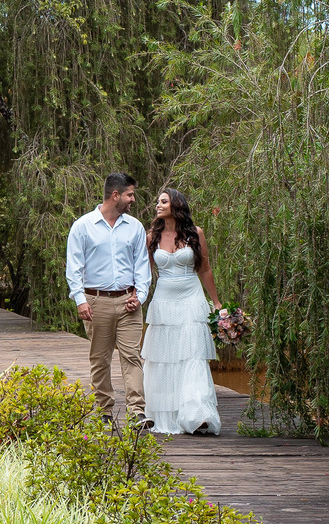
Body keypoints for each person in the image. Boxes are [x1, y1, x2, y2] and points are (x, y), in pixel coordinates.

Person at [65, 172, 153, 426]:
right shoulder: (83, 226)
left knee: (132, 356)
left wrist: (140, 297)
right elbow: (74, 267)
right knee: (100, 358)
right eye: (130, 195)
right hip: (96, 302)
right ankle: (104, 410)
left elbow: (142, 266)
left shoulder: (134, 227)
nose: (133, 199)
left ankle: (137, 412)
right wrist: (80, 300)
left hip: (128, 302)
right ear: (115, 195)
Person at [141, 188, 221, 435]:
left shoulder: (196, 233)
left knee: (193, 355)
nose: (158, 205)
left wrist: (216, 303)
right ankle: (167, 414)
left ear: (176, 205)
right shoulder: (151, 236)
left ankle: (197, 414)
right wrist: (136, 296)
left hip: (191, 299)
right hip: (164, 300)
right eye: (158, 202)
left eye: (163, 201)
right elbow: (144, 273)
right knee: (164, 357)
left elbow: (205, 269)